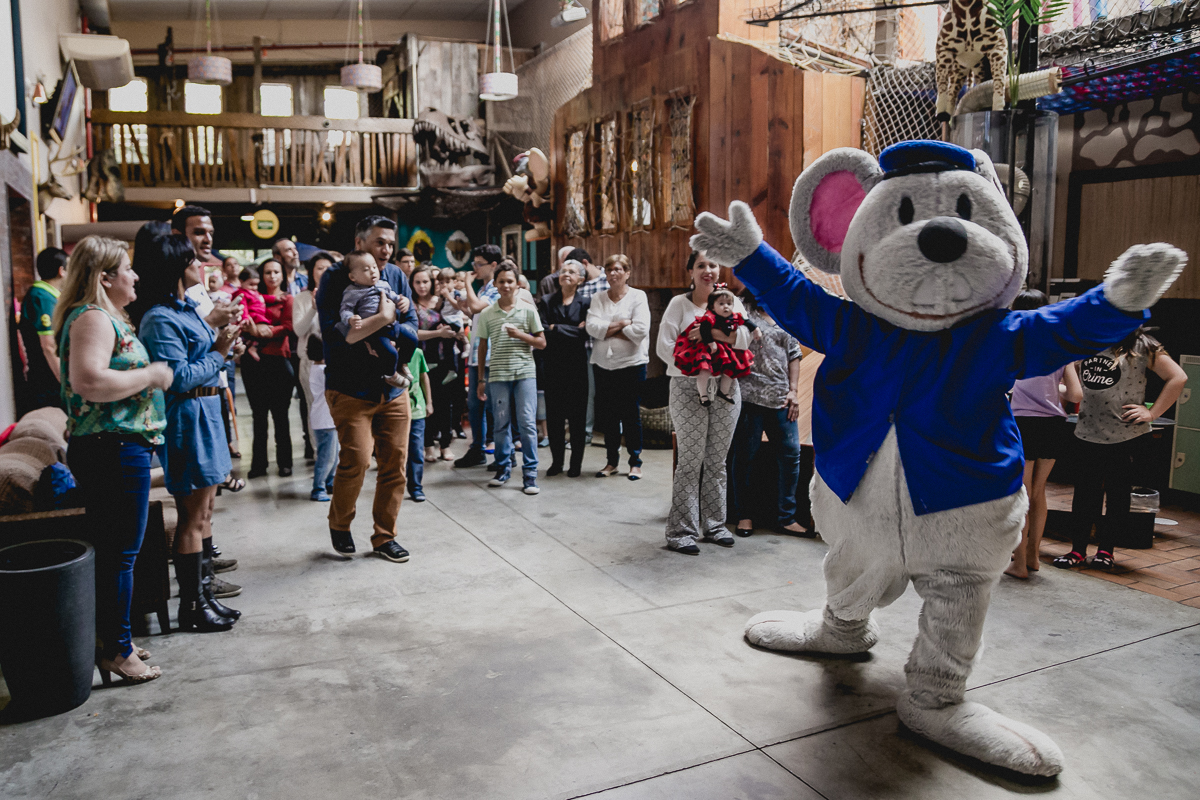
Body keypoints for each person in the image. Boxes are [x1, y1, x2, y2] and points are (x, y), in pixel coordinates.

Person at [55, 235, 172, 684]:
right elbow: (89, 382)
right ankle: (118, 652)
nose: (135, 276)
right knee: (120, 555)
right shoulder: (93, 317)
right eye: (127, 268)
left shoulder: (102, 317)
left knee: (119, 553)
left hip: (116, 446)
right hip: (113, 448)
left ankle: (114, 640)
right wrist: (151, 375)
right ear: (105, 277)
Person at [135, 233, 242, 632]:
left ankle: (205, 594)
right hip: (187, 416)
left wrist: (223, 344)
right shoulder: (159, 317)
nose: (201, 265)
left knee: (206, 511)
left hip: (208, 409)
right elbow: (177, 377)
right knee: (192, 517)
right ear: (177, 268)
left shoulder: (187, 309)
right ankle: (192, 606)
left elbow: (202, 356)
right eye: (194, 260)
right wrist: (219, 352)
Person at [316, 214, 418, 563]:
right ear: (359, 243)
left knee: (395, 465)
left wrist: (395, 330)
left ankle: (385, 537)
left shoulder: (396, 276)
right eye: (379, 243)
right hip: (350, 388)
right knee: (356, 460)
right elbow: (339, 335)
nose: (386, 250)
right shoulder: (336, 277)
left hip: (393, 390)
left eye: (390, 243)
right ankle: (340, 523)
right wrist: (384, 319)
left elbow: (412, 322)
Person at [1054, 326, 1187, 570]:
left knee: (1117, 496)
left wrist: (1152, 413)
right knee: (1084, 495)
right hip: (1087, 432)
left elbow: (1178, 377)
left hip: (1125, 436)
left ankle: (1106, 551)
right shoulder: (1090, 338)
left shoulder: (1142, 344)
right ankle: (1078, 550)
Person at [656, 252, 753, 554]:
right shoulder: (679, 304)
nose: (707, 270)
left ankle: (715, 525)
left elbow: (747, 339)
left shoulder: (731, 300)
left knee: (717, 460)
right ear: (691, 272)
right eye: (701, 265)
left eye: (713, 264)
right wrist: (697, 363)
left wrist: (713, 335)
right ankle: (681, 531)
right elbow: (663, 346)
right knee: (690, 460)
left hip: (726, 387)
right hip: (688, 386)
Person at [1001, 290, 1084, 579]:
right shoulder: (1060, 347)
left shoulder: (1015, 345)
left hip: (1024, 424)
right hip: (1054, 426)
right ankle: (1034, 556)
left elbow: (1003, 385)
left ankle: (1019, 563)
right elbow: (1076, 394)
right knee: (1038, 493)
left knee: (1021, 495)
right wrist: (1051, 390)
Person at [728, 289, 807, 537]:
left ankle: (787, 518)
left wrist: (794, 391)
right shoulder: (742, 307)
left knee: (791, 455)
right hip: (748, 396)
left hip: (781, 397)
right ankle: (744, 516)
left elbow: (794, 354)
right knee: (745, 456)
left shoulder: (785, 312)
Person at [476, 262, 546, 494]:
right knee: (500, 423)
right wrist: (481, 380)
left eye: (510, 281)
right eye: (501, 281)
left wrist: (520, 335)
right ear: (495, 285)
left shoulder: (528, 310)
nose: (505, 285)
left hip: (524, 373)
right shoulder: (487, 313)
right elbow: (482, 347)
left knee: (527, 423)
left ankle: (530, 474)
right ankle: (503, 468)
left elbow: (541, 342)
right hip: (497, 374)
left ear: (517, 284)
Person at [585, 254, 651, 479]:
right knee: (609, 416)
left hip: (631, 364)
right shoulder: (598, 298)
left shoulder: (638, 296)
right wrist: (623, 324)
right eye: (609, 269)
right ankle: (611, 462)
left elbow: (640, 331)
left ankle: (635, 462)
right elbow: (592, 328)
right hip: (603, 364)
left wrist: (606, 330)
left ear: (627, 273)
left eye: (618, 269)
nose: (613, 273)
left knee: (631, 415)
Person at [241, 258, 294, 478]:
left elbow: (288, 327)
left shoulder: (287, 299)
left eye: (276, 272)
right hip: (254, 362)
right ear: (261, 275)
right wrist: (253, 331)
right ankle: (258, 464)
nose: (272, 276)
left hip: (278, 360)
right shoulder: (253, 296)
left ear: (283, 275)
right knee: (258, 416)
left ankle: (285, 462)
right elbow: (242, 320)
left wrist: (266, 331)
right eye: (268, 272)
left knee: (281, 416)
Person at [538, 260, 591, 476]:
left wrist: (555, 328)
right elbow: (542, 329)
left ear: (580, 280)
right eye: (563, 271)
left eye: (572, 272)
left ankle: (576, 464)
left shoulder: (586, 303)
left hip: (577, 367)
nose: (566, 274)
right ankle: (556, 462)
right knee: (555, 418)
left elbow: (585, 333)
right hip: (552, 366)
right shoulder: (546, 301)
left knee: (577, 418)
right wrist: (569, 330)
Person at [451, 244, 502, 468]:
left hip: (490, 355)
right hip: (476, 352)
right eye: (474, 263)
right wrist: (462, 306)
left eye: (479, 264)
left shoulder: (497, 288)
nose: (475, 268)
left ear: (493, 265)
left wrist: (467, 284)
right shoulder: (482, 289)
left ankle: (503, 453)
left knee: (493, 406)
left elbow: (478, 307)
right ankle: (477, 449)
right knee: (474, 405)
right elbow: (474, 313)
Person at [338, 250, 413, 390]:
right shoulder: (352, 291)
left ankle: (403, 363)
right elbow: (345, 309)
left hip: (393, 325)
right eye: (366, 269)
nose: (373, 271)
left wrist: (404, 301)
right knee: (390, 353)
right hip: (375, 331)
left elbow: (395, 297)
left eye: (374, 267)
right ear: (352, 277)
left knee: (412, 339)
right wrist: (350, 319)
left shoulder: (383, 284)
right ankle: (390, 375)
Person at [674, 287, 756, 405]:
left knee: (732, 367)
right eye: (721, 304)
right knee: (704, 369)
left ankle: (723, 391)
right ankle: (702, 394)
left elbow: (746, 322)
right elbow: (704, 330)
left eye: (729, 304)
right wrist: (711, 342)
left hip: (725, 349)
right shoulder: (709, 316)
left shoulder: (734, 316)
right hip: (707, 348)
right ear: (713, 307)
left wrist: (756, 330)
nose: (726, 307)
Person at [413, 265, 462, 461]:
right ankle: (427, 446)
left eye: (425, 281)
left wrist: (455, 332)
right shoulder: (411, 305)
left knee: (445, 404)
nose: (422, 286)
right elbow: (412, 332)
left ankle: (445, 445)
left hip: (444, 359)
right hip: (422, 360)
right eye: (417, 282)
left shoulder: (441, 301)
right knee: (425, 403)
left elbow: (456, 320)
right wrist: (437, 333)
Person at [18, 247, 69, 412]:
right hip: (47, 383)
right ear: (61, 271)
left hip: (47, 380)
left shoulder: (47, 296)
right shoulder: (42, 297)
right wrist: (65, 382)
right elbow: (48, 346)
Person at [295, 252, 335, 455]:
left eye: (328, 268)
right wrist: (313, 308)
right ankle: (320, 453)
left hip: (336, 360)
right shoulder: (301, 298)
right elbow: (299, 330)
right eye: (320, 268)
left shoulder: (340, 295)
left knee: (338, 407)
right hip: (310, 363)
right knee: (315, 408)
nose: (324, 272)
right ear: (311, 272)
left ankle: (337, 456)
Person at [308, 335, 337, 502]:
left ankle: (330, 482)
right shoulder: (323, 370)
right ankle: (318, 488)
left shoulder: (317, 368)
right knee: (326, 457)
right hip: (325, 419)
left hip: (326, 419)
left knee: (334, 455)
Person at [406, 346, 432, 502]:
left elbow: (424, 377)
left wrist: (429, 402)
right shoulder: (388, 351)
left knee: (416, 450)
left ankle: (415, 487)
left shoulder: (417, 353)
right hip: (397, 411)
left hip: (417, 410)